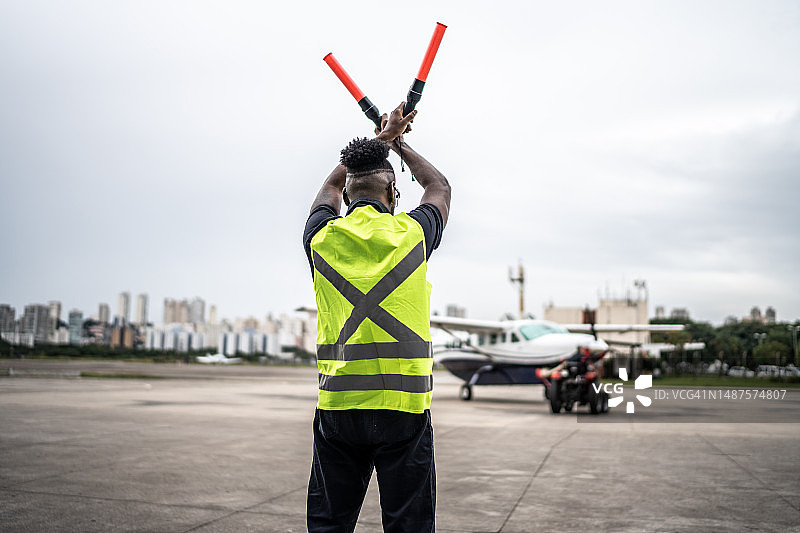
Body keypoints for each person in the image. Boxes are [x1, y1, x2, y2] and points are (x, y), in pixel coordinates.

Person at [302, 101, 451, 533]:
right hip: (403, 408)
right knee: (409, 525)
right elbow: (438, 186)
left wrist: (380, 141)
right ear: (392, 195)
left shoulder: (321, 238)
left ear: (347, 197)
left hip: (339, 407)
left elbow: (327, 190)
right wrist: (399, 144)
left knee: (329, 525)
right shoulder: (413, 235)